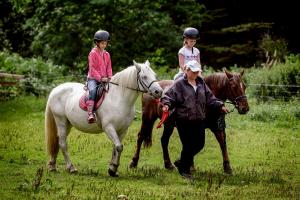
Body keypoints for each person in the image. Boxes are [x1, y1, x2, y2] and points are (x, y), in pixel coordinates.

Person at [161, 60, 229, 179]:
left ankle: (181, 161)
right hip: (184, 120)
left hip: (199, 120)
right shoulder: (179, 84)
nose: (196, 73)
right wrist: (166, 104)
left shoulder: (201, 83)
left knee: (199, 144)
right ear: (187, 70)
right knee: (187, 145)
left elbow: (210, 98)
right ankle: (185, 171)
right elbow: (168, 97)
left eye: (197, 71)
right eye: (193, 71)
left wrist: (220, 105)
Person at [86, 30, 112, 123]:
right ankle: (90, 113)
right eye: (102, 43)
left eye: (105, 43)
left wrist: (109, 77)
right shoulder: (92, 53)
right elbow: (92, 69)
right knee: (92, 91)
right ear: (97, 43)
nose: (104, 45)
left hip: (105, 79)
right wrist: (100, 78)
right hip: (93, 79)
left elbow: (109, 67)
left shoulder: (107, 54)